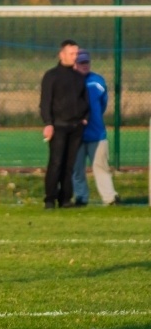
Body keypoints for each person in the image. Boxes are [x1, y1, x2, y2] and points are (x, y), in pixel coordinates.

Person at [39, 39, 90, 209]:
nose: (75, 57)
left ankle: (65, 199)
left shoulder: (78, 77)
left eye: (76, 54)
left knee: (70, 165)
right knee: (56, 163)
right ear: (62, 55)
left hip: (76, 127)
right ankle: (49, 199)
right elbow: (45, 102)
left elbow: (84, 99)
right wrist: (48, 123)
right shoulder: (51, 76)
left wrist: (85, 117)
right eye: (71, 54)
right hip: (58, 126)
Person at [71, 49, 120, 206]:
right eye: (81, 63)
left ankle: (109, 198)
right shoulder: (69, 81)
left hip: (96, 133)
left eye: (86, 62)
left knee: (101, 167)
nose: (84, 66)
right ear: (74, 64)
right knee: (77, 169)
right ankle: (81, 197)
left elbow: (103, 103)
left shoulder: (97, 81)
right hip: (76, 134)